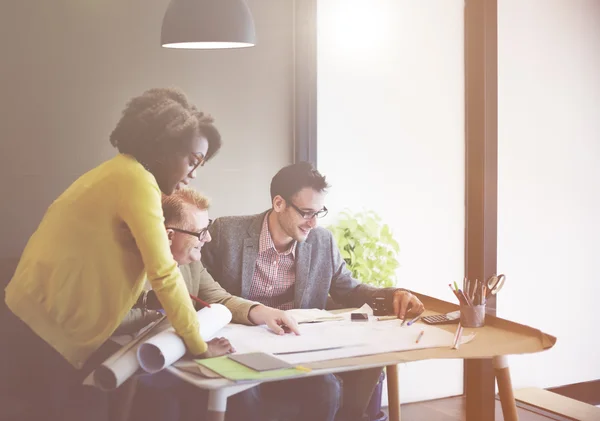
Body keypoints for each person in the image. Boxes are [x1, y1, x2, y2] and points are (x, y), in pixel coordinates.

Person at [0, 87, 228, 421]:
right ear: (165, 148)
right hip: (43, 333)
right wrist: (199, 346)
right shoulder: (136, 181)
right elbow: (163, 272)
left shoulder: (122, 172)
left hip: (41, 324)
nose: (193, 174)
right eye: (192, 161)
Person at [202, 161, 425, 421]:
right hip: (241, 349)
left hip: (298, 349)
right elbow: (200, 289)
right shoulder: (226, 232)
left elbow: (348, 290)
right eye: (307, 213)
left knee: (328, 388)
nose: (314, 223)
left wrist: (392, 295)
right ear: (278, 203)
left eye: (320, 212)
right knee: (244, 396)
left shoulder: (322, 241)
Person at [114, 187, 300, 421]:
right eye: (201, 232)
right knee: (163, 404)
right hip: (139, 368)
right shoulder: (124, 265)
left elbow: (219, 299)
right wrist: (162, 312)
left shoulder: (190, 262)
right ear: (169, 235)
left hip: (181, 361)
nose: (208, 238)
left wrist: (262, 312)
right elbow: (110, 322)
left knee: (243, 390)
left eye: (208, 228)